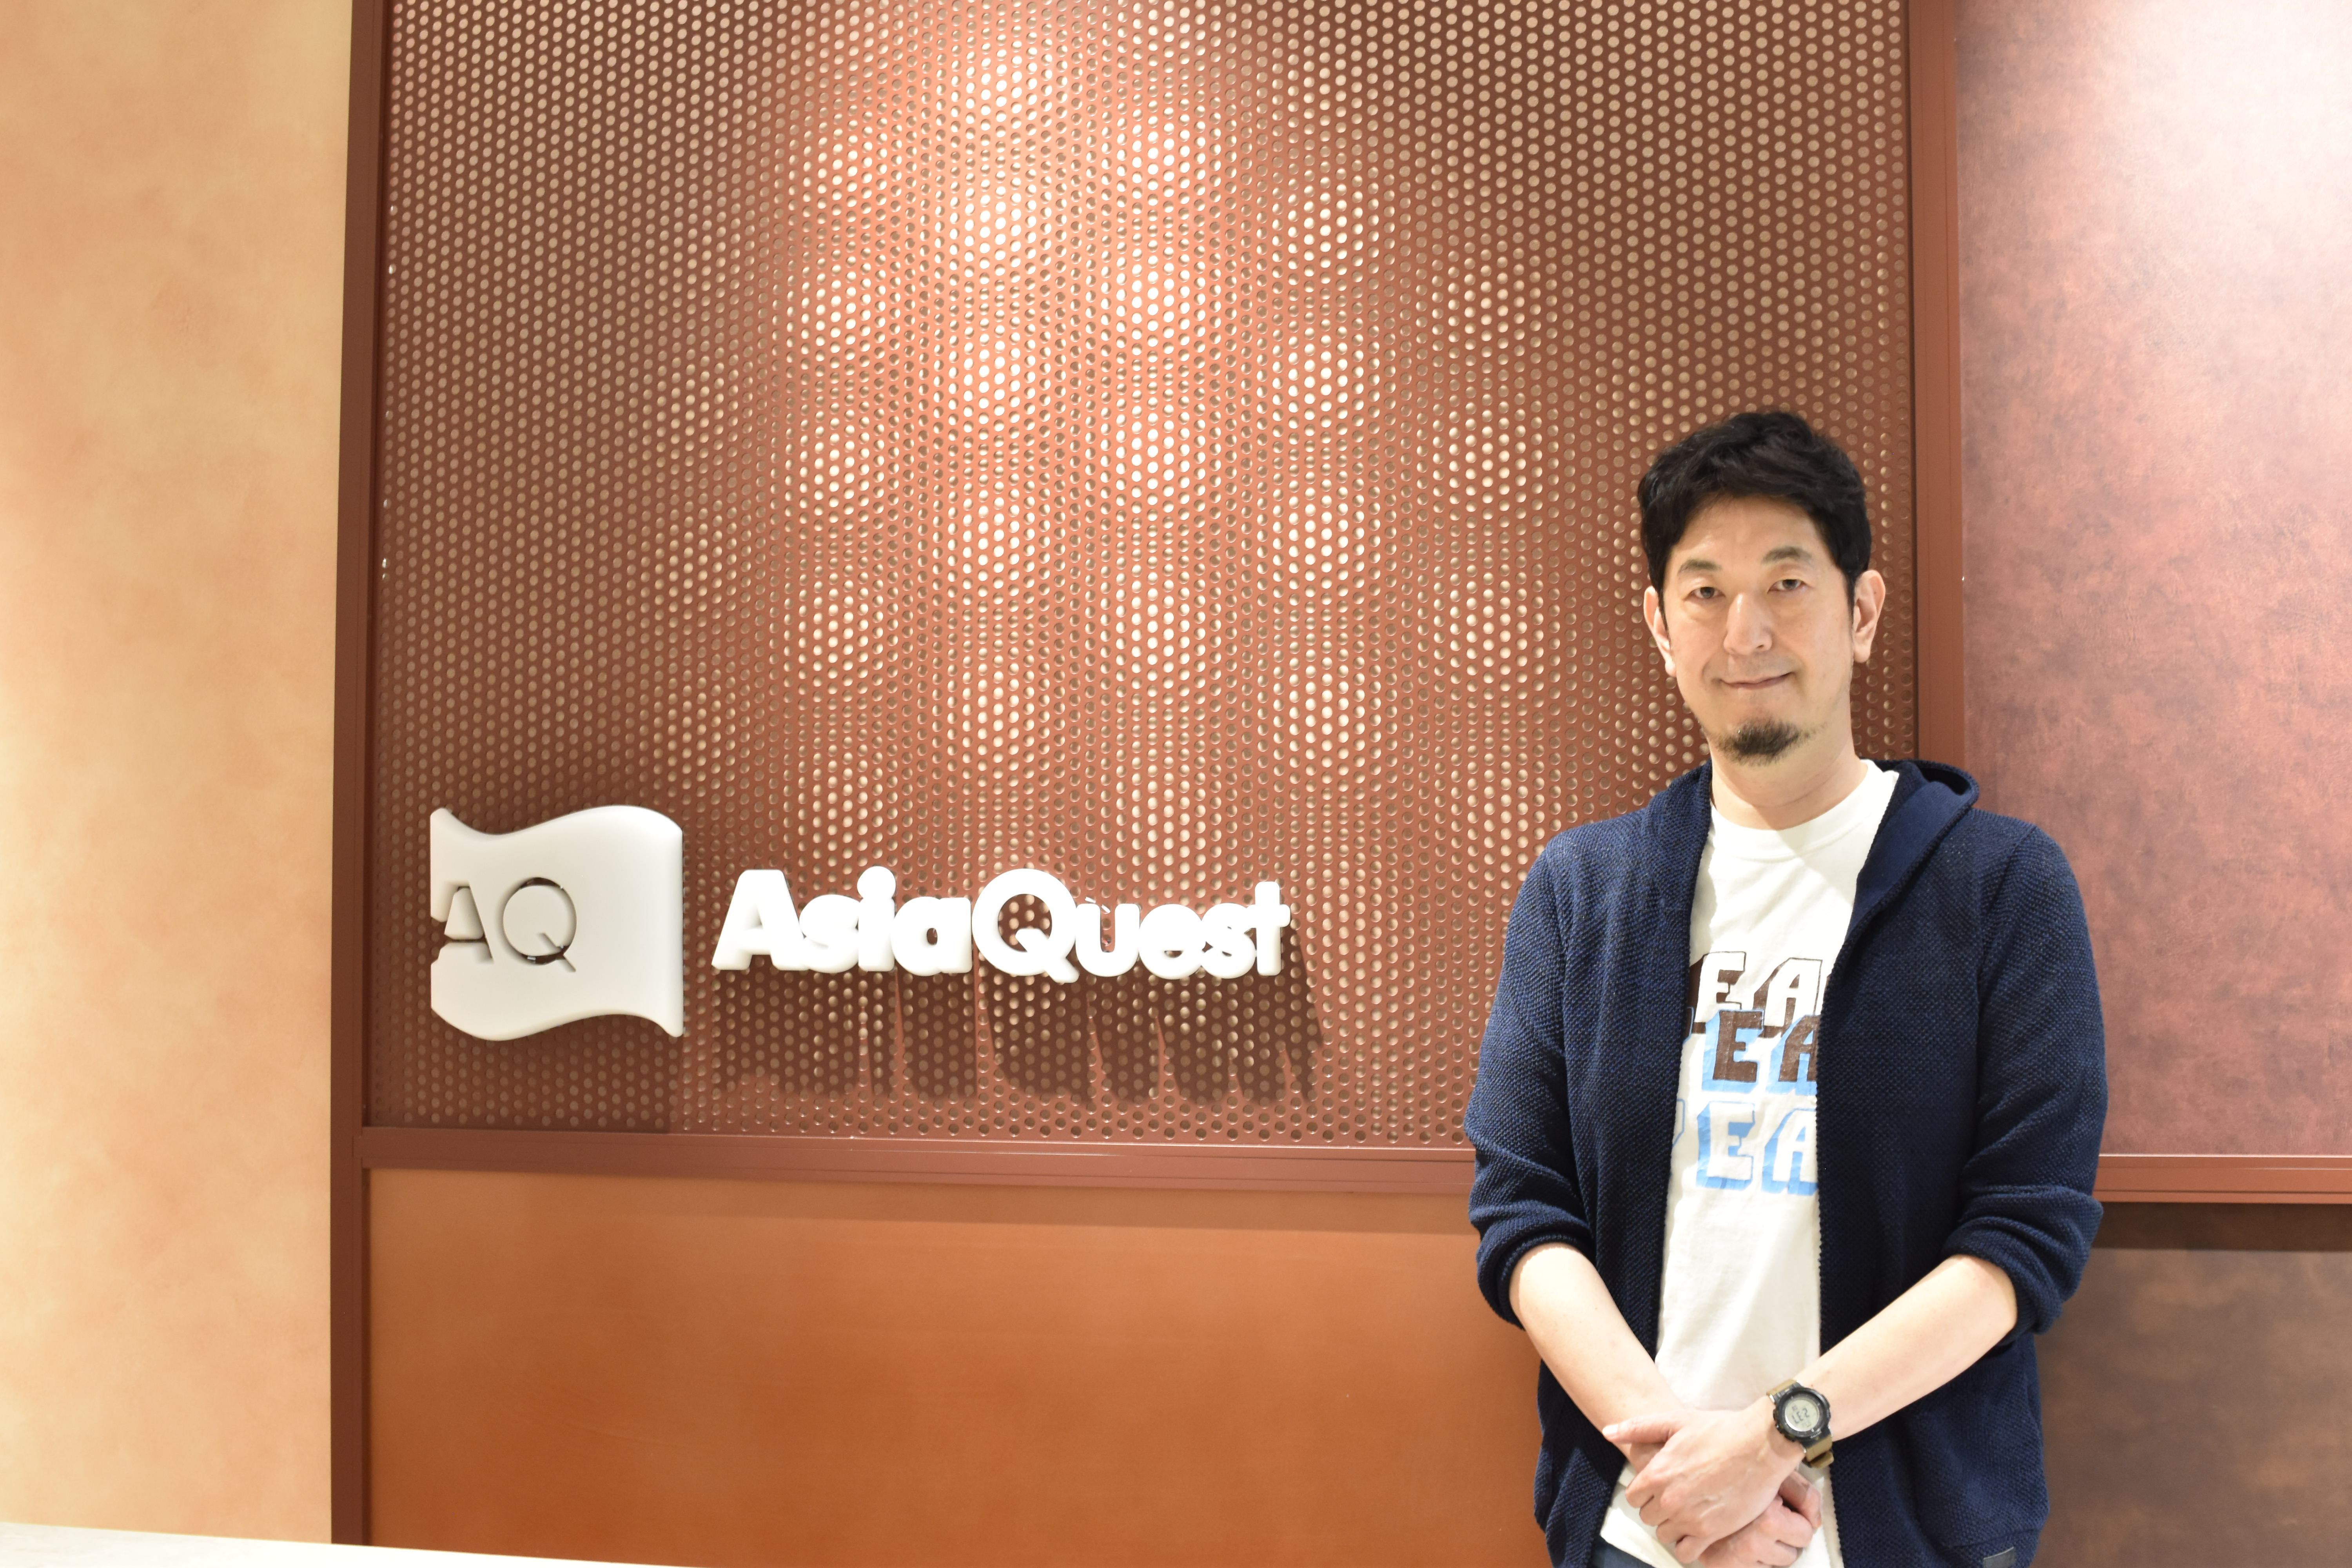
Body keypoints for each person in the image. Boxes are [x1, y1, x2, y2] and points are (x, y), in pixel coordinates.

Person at [1463, 411, 2105, 1568]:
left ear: (1861, 612)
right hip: (1640, 1528)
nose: (1746, 631)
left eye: (1787, 583)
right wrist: (1680, 1480)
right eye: (1705, 592)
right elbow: (1524, 1213)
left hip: (1908, 1535)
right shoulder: (1581, 891)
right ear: (1660, 625)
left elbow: (2025, 1232)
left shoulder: (2001, 886)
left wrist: (1773, 1440)